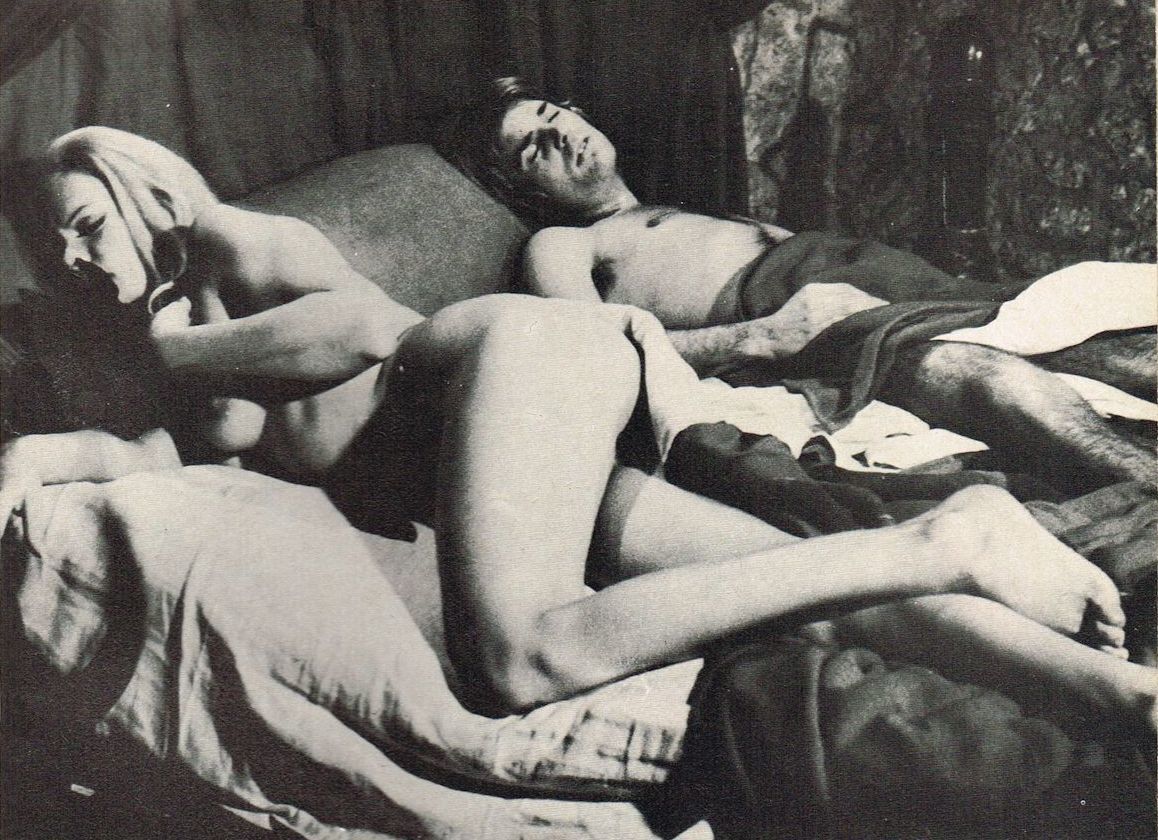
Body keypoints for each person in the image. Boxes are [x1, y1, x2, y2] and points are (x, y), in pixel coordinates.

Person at [0, 127, 1152, 739]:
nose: (77, 258)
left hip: (511, 363)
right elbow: (163, 457)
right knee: (803, 589)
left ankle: (947, 538)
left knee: (520, 661)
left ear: (144, 193)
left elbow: (358, 329)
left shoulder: (232, 248)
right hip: (528, 462)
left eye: (88, 224)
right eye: (56, 253)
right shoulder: (165, 347)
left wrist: (160, 358)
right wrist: (34, 457)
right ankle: (1113, 691)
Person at [450, 77, 1156, 495]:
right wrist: (763, 337)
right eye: (533, 148)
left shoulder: (671, 206)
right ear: (523, 191)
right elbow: (592, 353)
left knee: (1105, 345)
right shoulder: (563, 244)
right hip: (812, 324)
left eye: (554, 117)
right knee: (985, 378)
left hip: (895, 279)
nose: (560, 135)